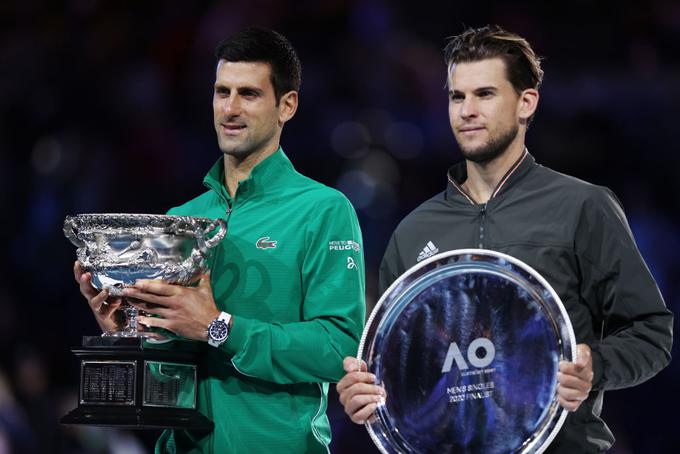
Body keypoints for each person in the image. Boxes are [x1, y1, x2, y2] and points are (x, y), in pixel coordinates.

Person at [336, 25, 673, 453]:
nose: (467, 110)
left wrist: (597, 366)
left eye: (485, 94)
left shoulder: (582, 206)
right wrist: (365, 394)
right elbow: (403, 368)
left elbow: (651, 332)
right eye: (457, 96)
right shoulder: (414, 232)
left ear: (526, 103)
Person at [74, 27, 366, 453]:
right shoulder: (180, 220)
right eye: (221, 91)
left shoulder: (323, 210)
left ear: (287, 105)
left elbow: (338, 347)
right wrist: (132, 333)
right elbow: (167, 381)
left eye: (248, 94)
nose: (229, 108)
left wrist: (219, 328)